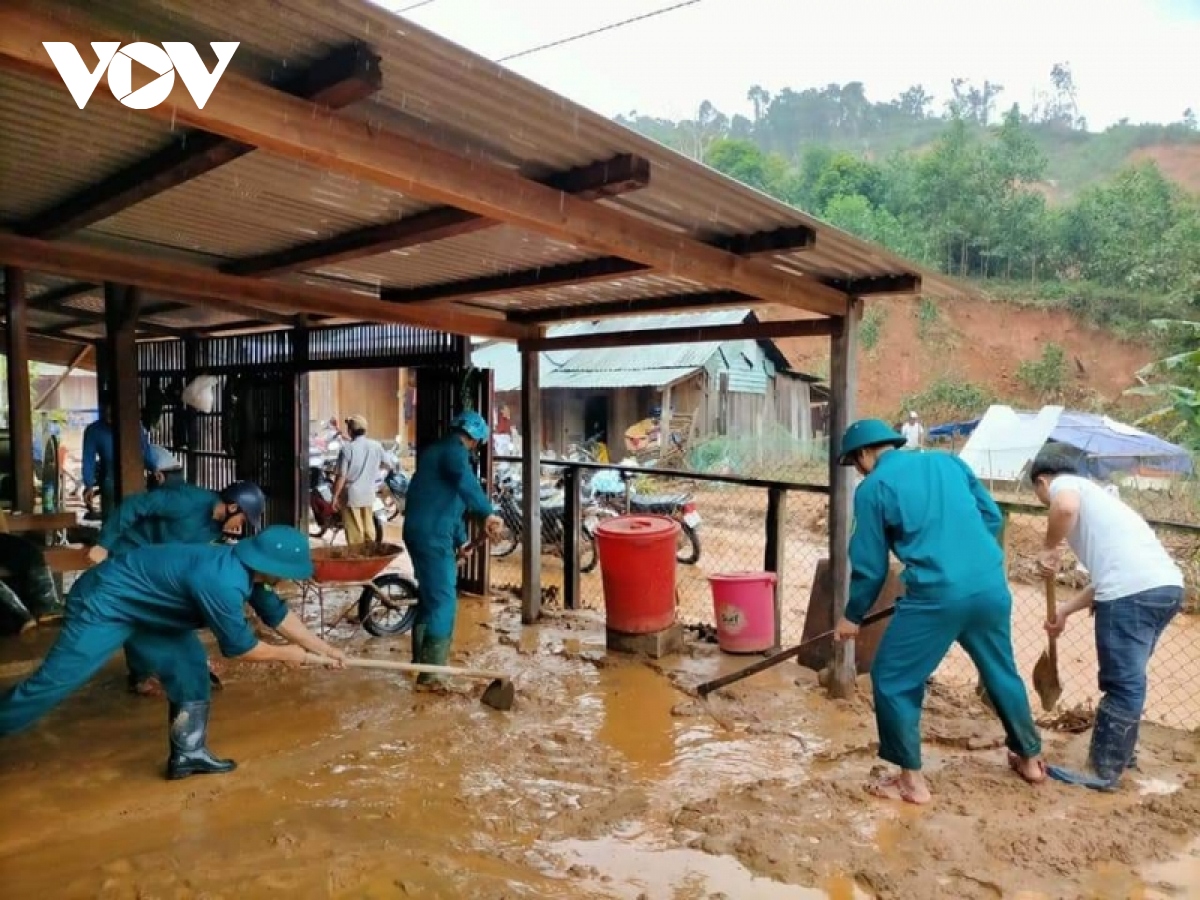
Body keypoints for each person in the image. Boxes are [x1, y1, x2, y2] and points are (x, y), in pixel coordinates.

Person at [0, 526, 346, 779]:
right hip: (105, 602)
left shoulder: (247, 570)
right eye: (287, 573)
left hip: (150, 609)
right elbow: (242, 649)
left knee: (190, 668)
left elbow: (279, 616)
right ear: (272, 567)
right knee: (57, 681)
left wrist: (323, 649)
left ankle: (188, 753)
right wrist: (295, 656)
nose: (288, 578)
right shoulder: (222, 581)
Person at [833, 418, 1045, 804]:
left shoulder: (873, 488)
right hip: (989, 584)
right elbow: (992, 517)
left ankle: (911, 783)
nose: (858, 469)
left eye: (855, 462)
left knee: (894, 678)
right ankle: (1030, 757)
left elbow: (870, 566)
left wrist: (852, 616)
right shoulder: (949, 463)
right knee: (1000, 670)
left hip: (936, 594)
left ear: (864, 454)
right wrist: (968, 556)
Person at [1031, 451, 1184, 791]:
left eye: (1039, 494)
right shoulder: (1104, 501)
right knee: (1131, 678)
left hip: (1130, 595)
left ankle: (1104, 771)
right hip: (1165, 589)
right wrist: (1065, 612)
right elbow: (1107, 577)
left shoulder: (1066, 485)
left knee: (1122, 684)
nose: (1044, 501)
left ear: (1042, 481)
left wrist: (1049, 547)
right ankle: (1122, 753)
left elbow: (1064, 508)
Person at [88, 474, 267, 696]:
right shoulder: (188, 500)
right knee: (139, 615)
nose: (242, 527)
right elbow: (136, 505)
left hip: (159, 567)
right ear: (232, 507)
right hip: (130, 554)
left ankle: (176, 666)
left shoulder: (216, 529)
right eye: (243, 520)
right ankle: (143, 676)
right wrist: (104, 544)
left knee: (169, 611)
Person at [402, 411, 503, 686]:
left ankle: (421, 662)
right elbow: (466, 483)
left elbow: (454, 505)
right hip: (432, 536)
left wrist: (460, 543)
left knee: (429, 597)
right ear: (476, 439)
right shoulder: (454, 453)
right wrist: (487, 512)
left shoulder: (438, 454)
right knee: (444, 602)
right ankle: (432, 675)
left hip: (425, 532)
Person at [81, 396, 157, 522]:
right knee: (111, 522)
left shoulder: (134, 427)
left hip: (134, 477)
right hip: (110, 480)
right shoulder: (94, 430)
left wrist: (154, 468)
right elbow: (88, 459)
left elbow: (144, 449)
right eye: (106, 411)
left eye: (112, 412)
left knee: (135, 522)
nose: (109, 414)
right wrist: (88, 485)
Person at [331, 414, 384, 546]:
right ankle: (370, 554)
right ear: (365, 430)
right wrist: (374, 474)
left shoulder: (347, 449)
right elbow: (388, 464)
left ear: (350, 431)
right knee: (368, 527)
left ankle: (358, 557)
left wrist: (335, 496)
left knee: (355, 532)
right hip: (369, 493)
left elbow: (341, 476)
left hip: (351, 495)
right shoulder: (376, 446)